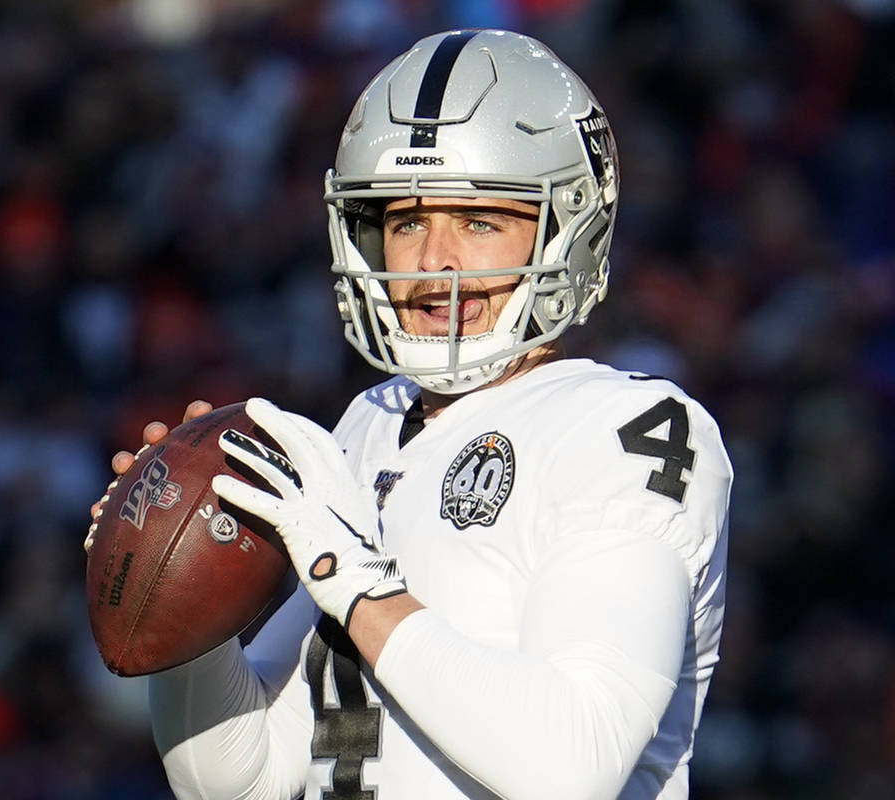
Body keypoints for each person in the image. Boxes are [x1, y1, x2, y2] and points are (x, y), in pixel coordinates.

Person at [90, 29, 732, 800]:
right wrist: (183, 592)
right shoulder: (366, 425)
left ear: (570, 230)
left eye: (480, 221)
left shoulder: (631, 428)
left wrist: (351, 577)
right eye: (404, 222)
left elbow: (572, 767)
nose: (433, 261)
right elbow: (242, 782)